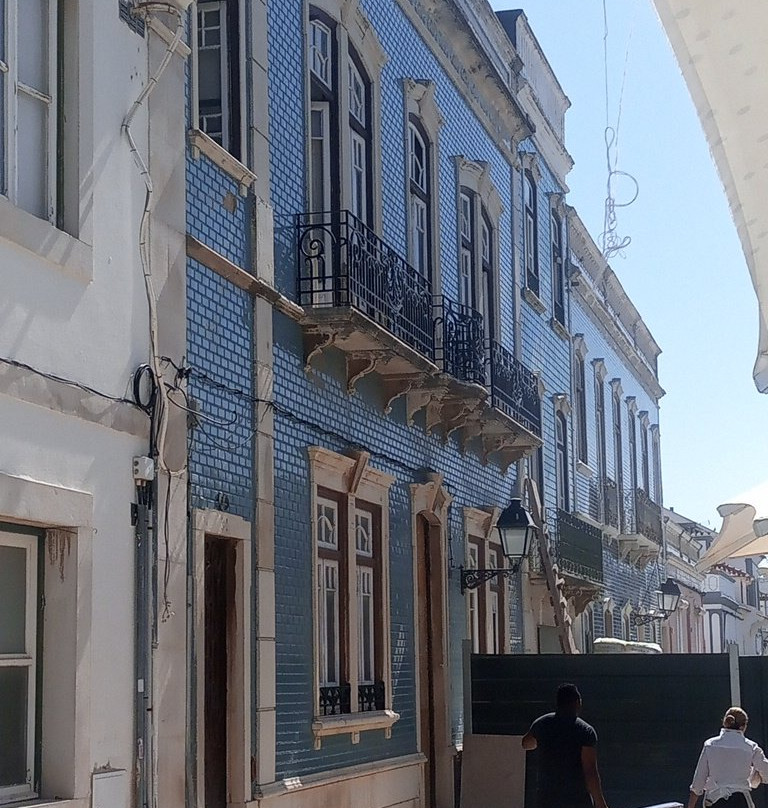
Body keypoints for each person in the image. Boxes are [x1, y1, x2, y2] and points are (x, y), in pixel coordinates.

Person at [521, 683, 610, 808]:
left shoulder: (542, 723)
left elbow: (526, 744)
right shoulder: (585, 731)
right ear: (577, 702)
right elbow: (590, 771)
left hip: (547, 799)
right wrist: (600, 802)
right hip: (576, 800)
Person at [688, 706, 768, 808]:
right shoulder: (751, 747)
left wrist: (691, 805)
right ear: (744, 726)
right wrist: (757, 777)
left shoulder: (710, 745)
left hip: (715, 801)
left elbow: (698, 781)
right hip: (741, 801)